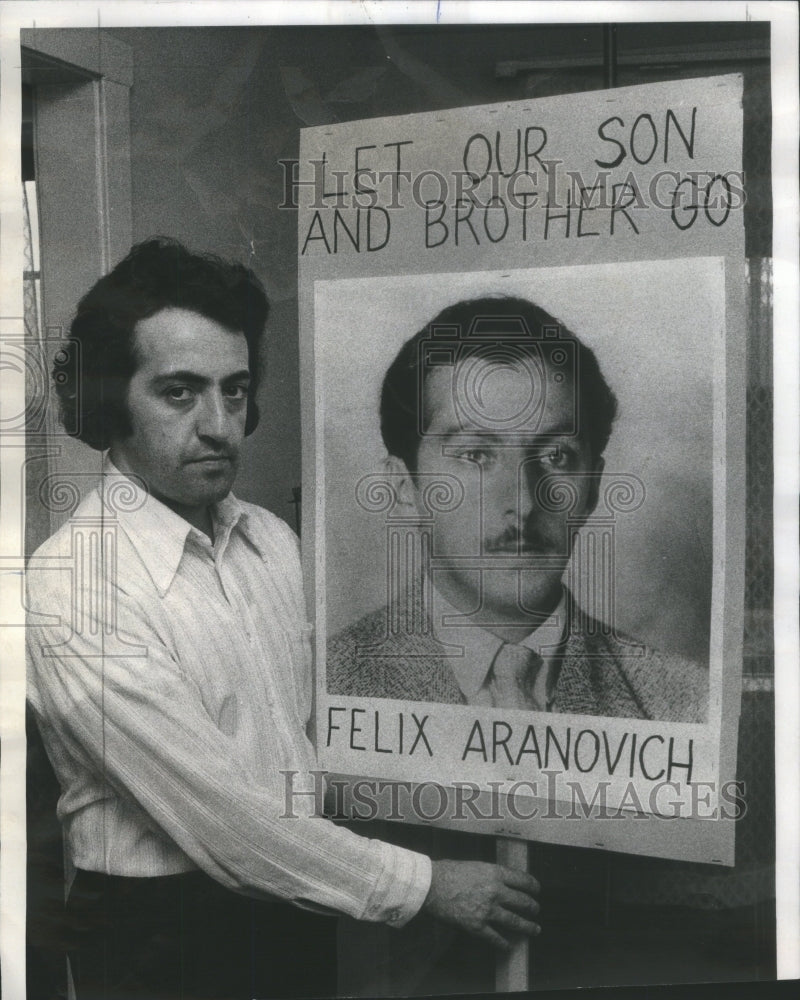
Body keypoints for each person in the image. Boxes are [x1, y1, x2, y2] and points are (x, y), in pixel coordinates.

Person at [25, 241, 542, 999]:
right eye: (179, 393)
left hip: (298, 906)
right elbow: (226, 820)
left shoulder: (271, 540)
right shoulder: (71, 589)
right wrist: (426, 884)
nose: (218, 425)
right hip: (160, 940)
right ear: (110, 401)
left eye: (234, 392)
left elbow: (323, 733)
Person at [328, 296, 707, 723]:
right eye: (474, 455)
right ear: (404, 487)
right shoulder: (320, 686)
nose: (523, 503)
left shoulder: (688, 703)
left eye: (555, 456)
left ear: (592, 488)